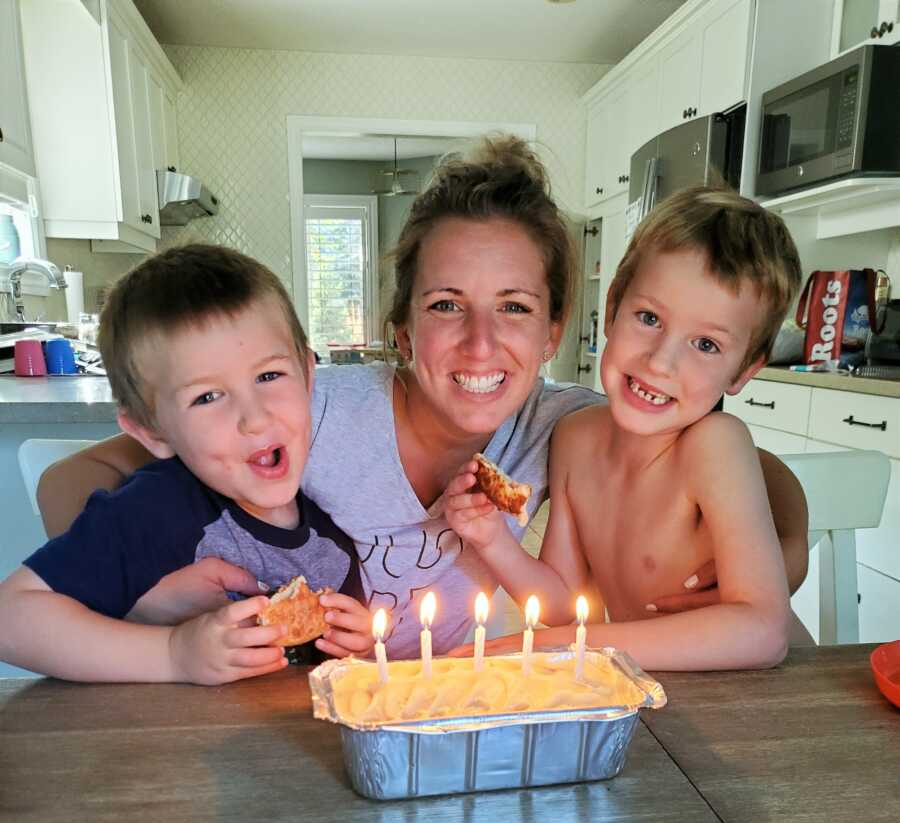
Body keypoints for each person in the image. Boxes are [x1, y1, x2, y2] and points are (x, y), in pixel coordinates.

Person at [34, 138, 809, 658]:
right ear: (400, 329)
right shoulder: (308, 410)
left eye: (513, 306)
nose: (479, 344)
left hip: (443, 709)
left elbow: (746, 465)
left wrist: (786, 551)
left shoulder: (564, 424)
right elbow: (66, 483)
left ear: (553, 332)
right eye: (445, 305)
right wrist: (161, 600)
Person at [444, 185, 804, 671]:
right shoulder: (574, 437)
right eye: (650, 318)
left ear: (743, 371)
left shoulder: (715, 445)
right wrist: (493, 540)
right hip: (660, 693)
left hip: (763, 702)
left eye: (706, 345)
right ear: (612, 307)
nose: (661, 361)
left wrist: (567, 646)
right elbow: (563, 607)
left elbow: (764, 633)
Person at [0, 245, 373, 683]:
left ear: (309, 377)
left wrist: (357, 645)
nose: (255, 419)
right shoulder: (155, 510)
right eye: (207, 397)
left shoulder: (339, 504)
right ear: (152, 431)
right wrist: (175, 654)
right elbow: (11, 620)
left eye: (269, 376)